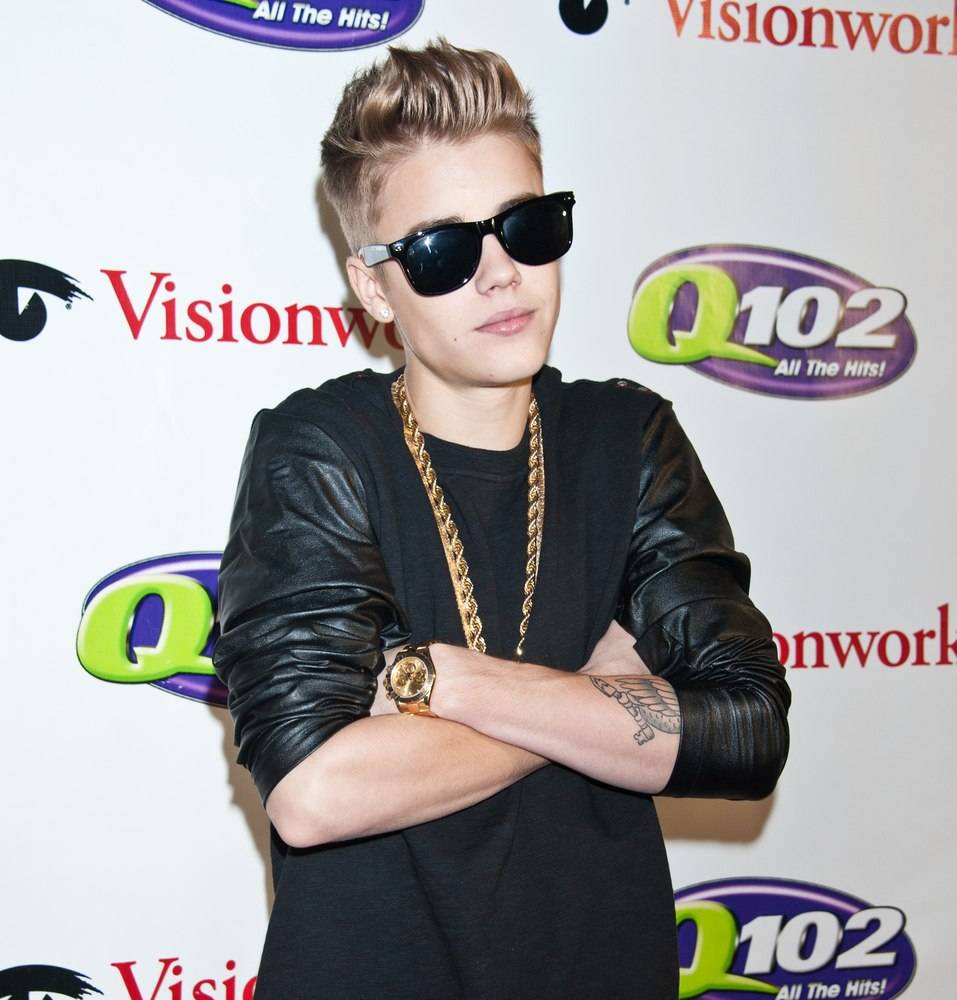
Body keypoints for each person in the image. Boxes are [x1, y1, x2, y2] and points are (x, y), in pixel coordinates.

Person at [213, 38, 790, 1000]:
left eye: (526, 226)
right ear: (372, 285)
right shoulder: (319, 449)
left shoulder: (627, 438)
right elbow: (316, 792)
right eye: (441, 251)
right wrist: (596, 693)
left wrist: (442, 680)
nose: (499, 274)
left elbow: (745, 732)